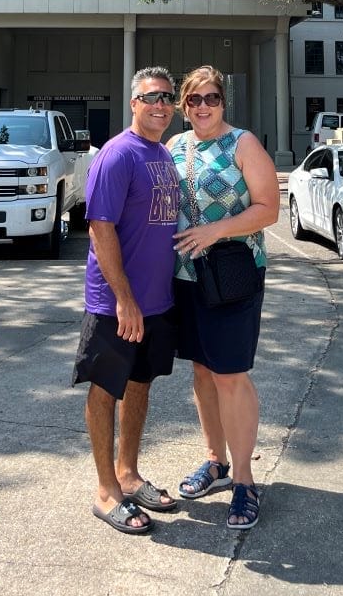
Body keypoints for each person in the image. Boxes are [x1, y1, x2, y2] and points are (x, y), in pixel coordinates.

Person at [168, 65, 280, 532]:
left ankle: (245, 481)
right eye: (193, 100)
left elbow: (268, 208)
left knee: (231, 374)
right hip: (185, 277)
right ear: (183, 106)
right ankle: (215, 461)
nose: (203, 107)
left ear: (222, 102)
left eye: (211, 98)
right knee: (201, 369)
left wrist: (217, 229)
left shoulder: (243, 144)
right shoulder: (174, 147)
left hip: (234, 274)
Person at [72, 66, 182, 535]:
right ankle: (105, 492)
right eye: (151, 97)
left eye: (167, 97)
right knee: (105, 390)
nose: (161, 105)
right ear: (134, 103)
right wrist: (124, 299)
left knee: (140, 385)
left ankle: (128, 473)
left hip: (156, 302)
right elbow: (100, 228)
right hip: (116, 304)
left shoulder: (162, 154)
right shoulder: (118, 155)